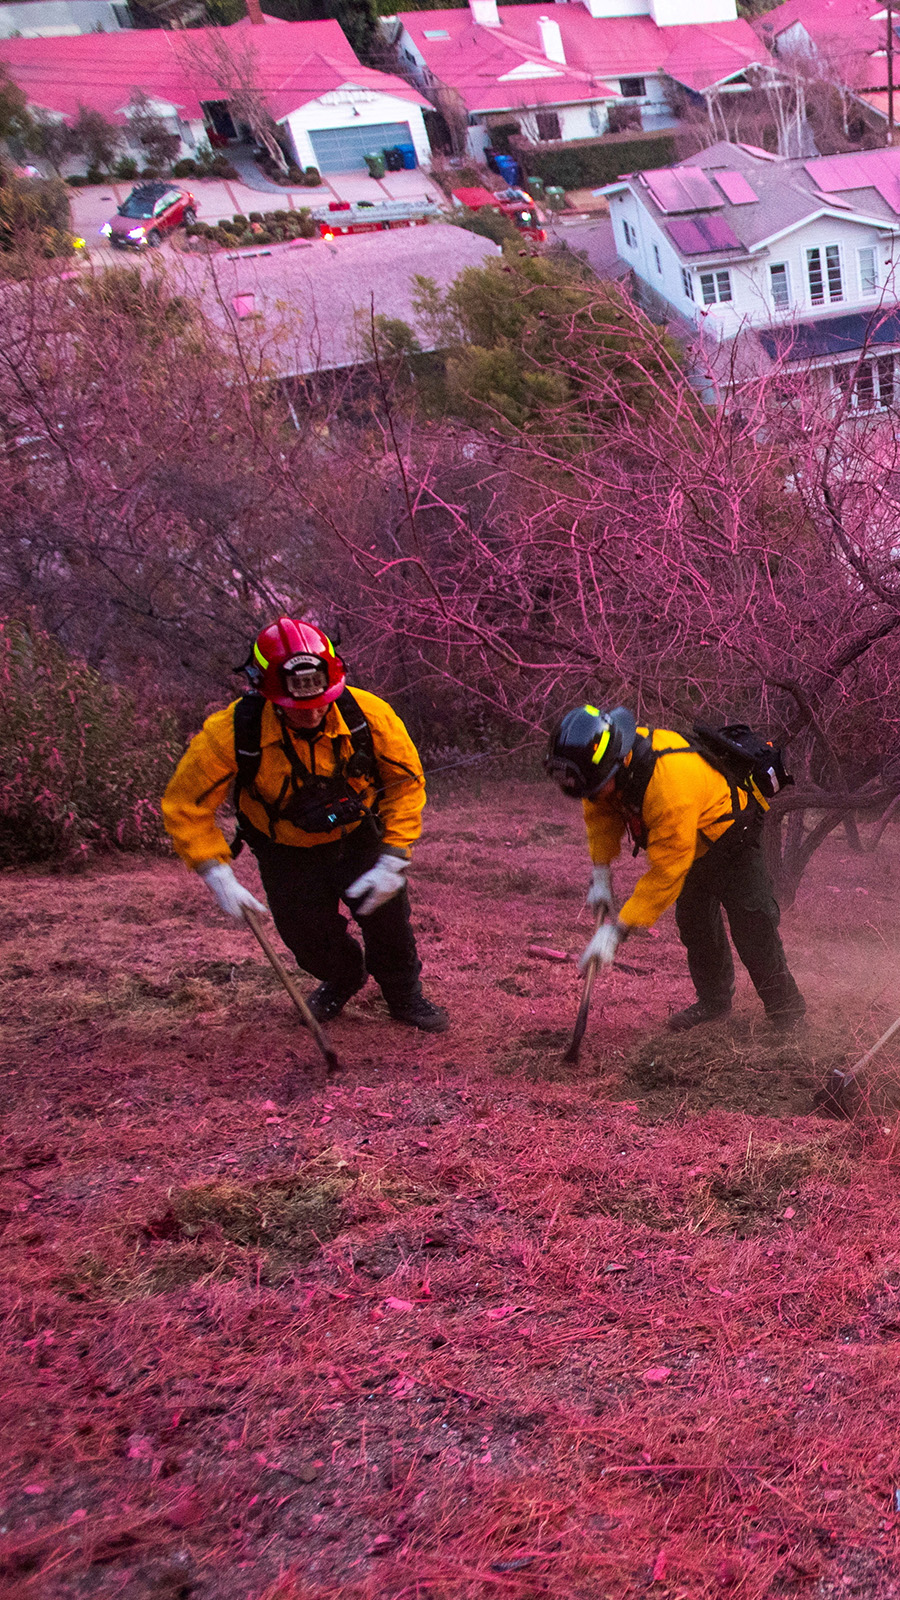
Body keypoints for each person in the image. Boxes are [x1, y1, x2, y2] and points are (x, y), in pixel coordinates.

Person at [162, 617, 447, 1033]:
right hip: (285, 851)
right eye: (296, 706)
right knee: (306, 939)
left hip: (360, 840)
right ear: (267, 694)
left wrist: (394, 856)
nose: (312, 713)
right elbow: (185, 802)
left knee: (389, 925)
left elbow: (406, 784)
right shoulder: (231, 732)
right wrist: (215, 871)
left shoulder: (369, 715)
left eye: (321, 701)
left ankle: (404, 995)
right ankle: (343, 977)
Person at [544, 704, 805, 1032]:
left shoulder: (668, 786)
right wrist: (601, 872)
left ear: (615, 764)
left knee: (753, 923)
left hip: (731, 837)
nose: (592, 797)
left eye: (595, 788)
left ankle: (787, 1015)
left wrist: (617, 930)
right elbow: (600, 813)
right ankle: (714, 1004)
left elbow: (668, 871)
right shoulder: (606, 769)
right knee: (695, 924)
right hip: (690, 841)